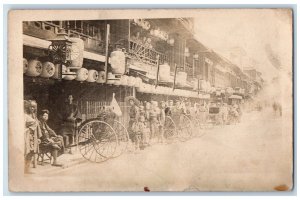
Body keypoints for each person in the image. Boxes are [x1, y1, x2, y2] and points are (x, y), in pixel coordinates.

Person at [24, 100, 42, 173]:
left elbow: (37, 126)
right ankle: (25, 169)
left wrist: (38, 137)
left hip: (33, 136)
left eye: (33, 107)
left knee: (32, 152)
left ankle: (27, 169)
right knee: (27, 151)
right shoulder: (25, 115)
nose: (32, 108)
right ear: (28, 107)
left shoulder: (34, 116)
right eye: (31, 107)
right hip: (27, 135)